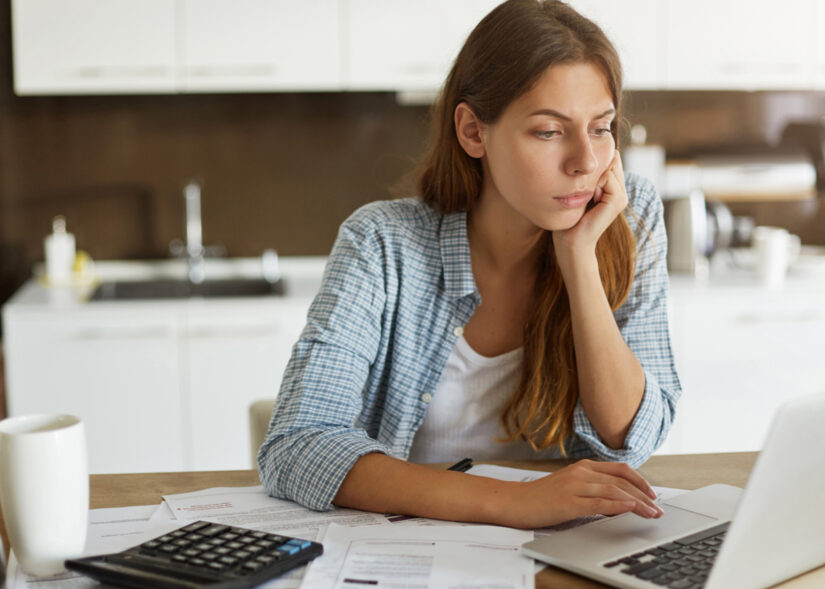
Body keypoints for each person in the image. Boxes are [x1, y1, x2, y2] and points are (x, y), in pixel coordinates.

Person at [258, 0, 681, 529]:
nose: (586, 162)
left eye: (601, 128)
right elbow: (296, 446)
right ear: (473, 132)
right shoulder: (383, 243)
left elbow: (630, 437)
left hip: (568, 548)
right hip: (408, 551)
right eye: (549, 131)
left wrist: (578, 258)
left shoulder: (627, 215)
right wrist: (512, 503)